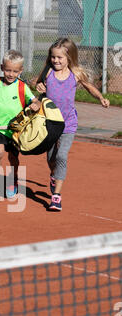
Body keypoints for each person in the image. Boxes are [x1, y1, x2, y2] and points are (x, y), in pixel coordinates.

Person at [36, 38, 110, 211]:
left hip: (68, 123)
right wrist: (38, 86)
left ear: (69, 58)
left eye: (60, 58)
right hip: (49, 122)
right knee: (51, 158)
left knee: (62, 156)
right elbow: (37, 83)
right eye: (53, 57)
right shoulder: (48, 72)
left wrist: (100, 98)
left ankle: (56, 197)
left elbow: (89, 86)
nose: (56, 61)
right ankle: (54, 175)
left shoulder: (75, 74)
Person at [0, 49, 40, 198]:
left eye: (15, 71)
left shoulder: (22, 87)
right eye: (8, 70)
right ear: (2, 67)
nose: (11, 74)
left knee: (13, 157)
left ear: (20, 71)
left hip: (16, 128)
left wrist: (36, 104)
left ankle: (13, 180)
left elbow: (34, 101)